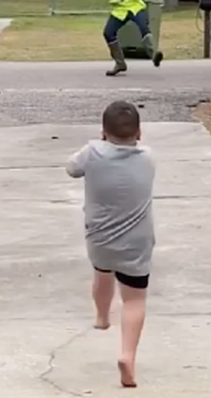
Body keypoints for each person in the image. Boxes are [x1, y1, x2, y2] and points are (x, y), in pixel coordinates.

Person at [65, 100, 156, 388]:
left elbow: (71, 168)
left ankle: (102, 316)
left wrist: (95, 145)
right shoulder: (148, 157)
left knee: (102, 274)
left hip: (100, 238)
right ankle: (128, 356)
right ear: (139, 133)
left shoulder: (92, 153)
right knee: (134, 299)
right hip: (137, 242)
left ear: (103, 132)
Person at [83, 0, 171, 76]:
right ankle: (120, 63)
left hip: (135, 7)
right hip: (119, 11)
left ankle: (154, 55)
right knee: (108, 33)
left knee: (144, 28)